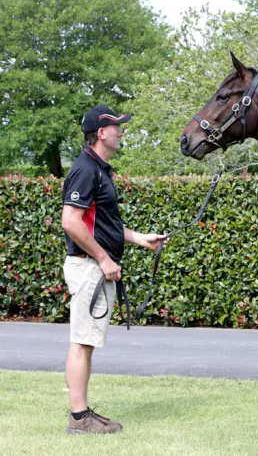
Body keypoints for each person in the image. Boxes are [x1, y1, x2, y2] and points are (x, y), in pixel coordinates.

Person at [61, 105, 166, 434]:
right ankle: (79, 418)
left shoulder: (99, 169)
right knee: (81, 343)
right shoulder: (85, 169)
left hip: (93, 266)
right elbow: (70, 222)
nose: (122, 131)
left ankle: (82, 413)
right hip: (88, 267)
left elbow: (104, 224)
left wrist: (140, 238)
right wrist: (104, 259)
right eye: (117, 126)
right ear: (101, 133)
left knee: (86, 342)